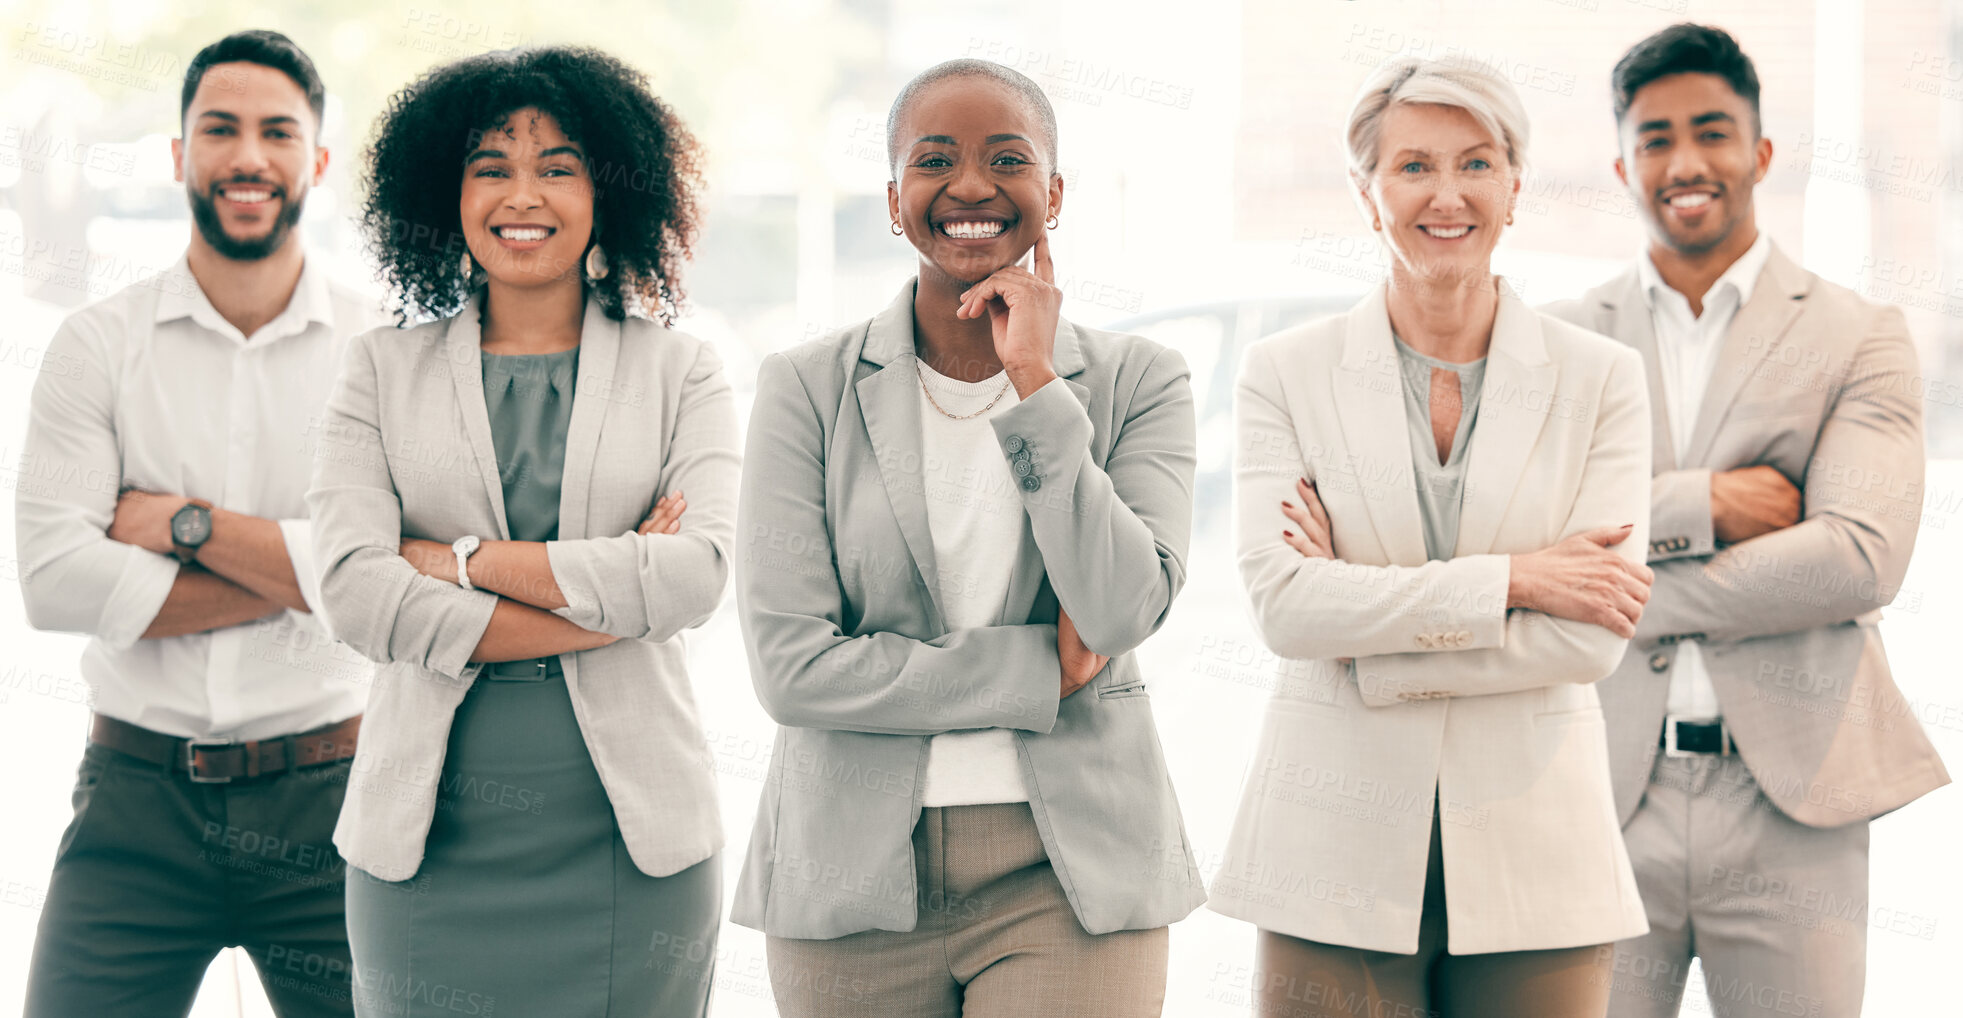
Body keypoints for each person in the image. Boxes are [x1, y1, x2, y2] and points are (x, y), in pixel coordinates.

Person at [732, 58, 1203, 1017]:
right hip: (850, 868)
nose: (971, 186)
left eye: (1007, 158)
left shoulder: (1138, 382)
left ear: (1053, 193)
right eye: (933, 159)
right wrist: (1033, 672)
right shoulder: (805, 388)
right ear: (896, 199)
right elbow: (791, 671)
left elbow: (1120, 608)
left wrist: (1034, 381)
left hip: (1070, 869)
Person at [1211, 55, 1657, 1017]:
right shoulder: (1284, 373)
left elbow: (1592, 633)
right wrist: (1518, 579)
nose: (1445, 194)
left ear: (1513, 188)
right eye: (1412, 166)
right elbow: (1286, 610)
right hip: (1327, 851)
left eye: (1477, 163)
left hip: (1539, 861)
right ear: (1367, 194)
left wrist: (1366, 645)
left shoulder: (1600, 378)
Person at [307, 45, 737, 1017]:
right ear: (444, 194)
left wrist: (455, 564)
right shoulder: (378, 370)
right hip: (426, 852)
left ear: (609, 190)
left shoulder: (683, 373)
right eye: (490, 166)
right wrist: (612, 600)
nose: (522, 193)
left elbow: (695, 577)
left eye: (558, 165)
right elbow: (354, 594)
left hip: (632, 849)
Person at [1544, 24, 1948, 1017]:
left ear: (1759, 153)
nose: (1684, 162)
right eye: (1654, 139)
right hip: (1597, 796)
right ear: (1621, 164)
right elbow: (1522, 544)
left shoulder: (1859, 334)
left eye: (1711, 131)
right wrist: (1708, 504)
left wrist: (1605, 579)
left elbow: (1857, 558)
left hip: (1791, 807)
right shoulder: (1554, 342)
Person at [18, 29, 375, 1018]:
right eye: (219, 129)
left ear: (317, 160)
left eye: (276, 131)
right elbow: (54, 581)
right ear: (181, 155)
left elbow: (387, 584)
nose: (247, 155)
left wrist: (181, 524)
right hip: (135, 804)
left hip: (335, 801)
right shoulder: (95, 345)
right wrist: (304, 572)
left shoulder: (378, 353)